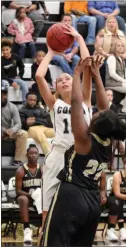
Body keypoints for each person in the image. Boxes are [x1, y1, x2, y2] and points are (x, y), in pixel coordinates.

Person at [40, 56, 126, 247]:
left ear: (96, 124)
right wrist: (96, 75)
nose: (94, 112)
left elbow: (77, 102)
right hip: (93, 201)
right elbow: (106, 109)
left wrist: (78, 73)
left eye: (95, 115)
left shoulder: (83, 141)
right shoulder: (107, 143)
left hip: (72, 195)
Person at [35, 24, 92, 238]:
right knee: (48, 207)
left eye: (68, 77)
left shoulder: (84, 99)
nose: (64, 80)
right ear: (57, 89)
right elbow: (40, 77)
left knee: (80, 206)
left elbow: (87, 65)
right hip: (59, 155)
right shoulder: (54, 104)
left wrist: (78, 37)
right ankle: (45, 235)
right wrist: (50, 51)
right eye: (60, 80)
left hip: (80, 157)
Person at [16, 144, 42, 244]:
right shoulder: (21, 170)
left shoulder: (43, 169)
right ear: (26, 155)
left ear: (39, 155)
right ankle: (27, 230)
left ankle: (43, 228)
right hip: (26, 198)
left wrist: (38, 195)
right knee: (23, 199)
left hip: (39, 198)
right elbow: (18, 191)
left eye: (35, 153)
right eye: (31, 153)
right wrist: (31, 195)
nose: (33, 155)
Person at [94, 16, 126, 84]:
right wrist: (107, 55)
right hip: (105, 55)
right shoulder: (102, 33)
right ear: (106, 23)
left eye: (113, 22)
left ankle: (123, 82)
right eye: (109, 22)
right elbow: (98, 47)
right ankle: (105, 84)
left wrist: (125, 54)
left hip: (120, 55)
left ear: (116, 24)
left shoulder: (121, 33)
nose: (111, 24)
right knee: (105, 65)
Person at [105, 40, 126, 113]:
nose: (120, 47)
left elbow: (125, 73)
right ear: (114, 47)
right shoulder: (112, 58)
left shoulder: (122, 59)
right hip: (112, 82)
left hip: (120, 81)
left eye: (122, 46)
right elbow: (112, 74)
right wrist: (124, 81)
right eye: (118, 45)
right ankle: (121, 107)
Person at [19, 92, 55, 156]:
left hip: (44, 128)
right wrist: (41, 120)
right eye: (30, 100)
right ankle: (49, 156)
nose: (32, 102)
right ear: (26, 100)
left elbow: (49, 122)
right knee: (41, 137)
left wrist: (35, 120)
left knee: (59, 133)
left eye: (34, 100)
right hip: (31, 129)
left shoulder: (40, 109)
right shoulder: (22, 110)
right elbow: (24, 124)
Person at [1, 84, 28, 166]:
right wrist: (3, 130)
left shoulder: (12, 107)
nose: (2, 95)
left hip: (8, 132)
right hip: (3, 131)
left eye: (3, 93)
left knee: (23, 133)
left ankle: (17, 160)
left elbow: (18, 123)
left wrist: (11, 130)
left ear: (6, 95)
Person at [1, 38, 28, 103]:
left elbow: (22, 66)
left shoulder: (15, 57)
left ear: (10, 49)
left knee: (24, 83)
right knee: (6, 84)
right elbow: (2, 75)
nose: (5, 52)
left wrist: (20, 75)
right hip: (4, 79)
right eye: (3, 50)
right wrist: (11, 82)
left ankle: (25, 103)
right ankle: (5, 102)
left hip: (14, 78)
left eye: (7, 49)